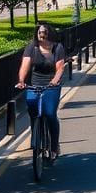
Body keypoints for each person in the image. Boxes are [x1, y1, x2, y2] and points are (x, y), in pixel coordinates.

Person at [16, 23, 66, 160]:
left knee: (50, 114)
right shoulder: (32, 47)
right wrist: (21, 80)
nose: (41, 35)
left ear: (49, 33)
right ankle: (37, 140)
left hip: (51, 85)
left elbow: (60, 68)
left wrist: (55, 80)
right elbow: (25, 65)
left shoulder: (57, 48)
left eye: (43, 32)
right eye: (39, 32)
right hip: (35, 84)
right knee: (33, 111)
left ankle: (54, 146)